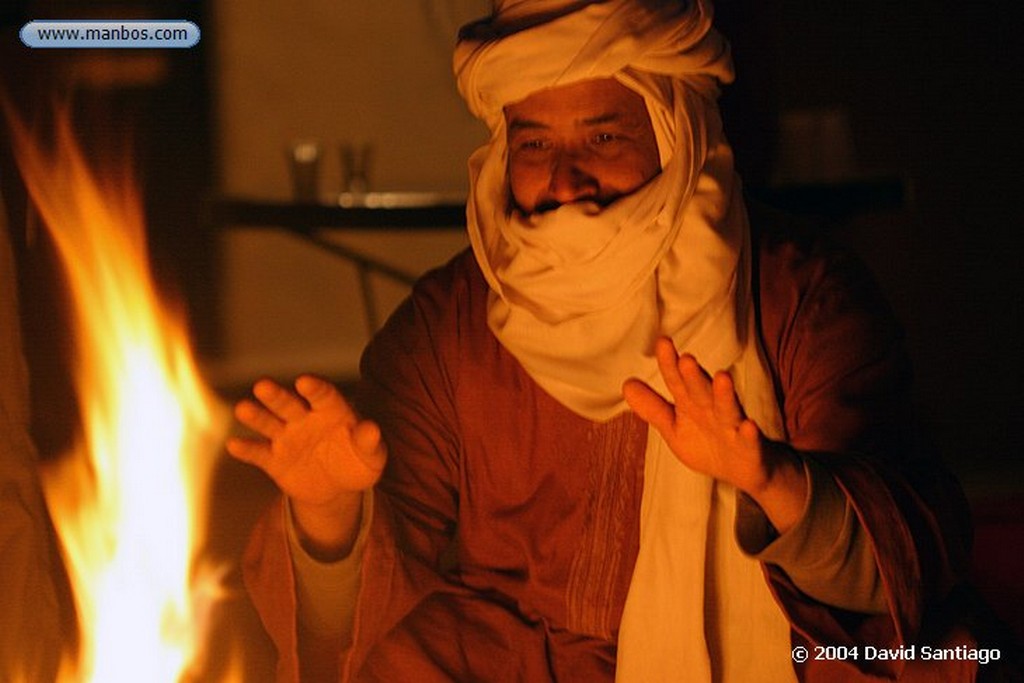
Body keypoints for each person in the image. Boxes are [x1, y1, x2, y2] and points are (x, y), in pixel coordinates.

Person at [227, 1, 995, 681]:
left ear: (676, 130)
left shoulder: (799, 294)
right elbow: (361, 618)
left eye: (602, 134)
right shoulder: (448, 323)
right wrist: (327, 513)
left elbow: (911, 555)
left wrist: (775, 482)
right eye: (534, 144)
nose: (566, 180)